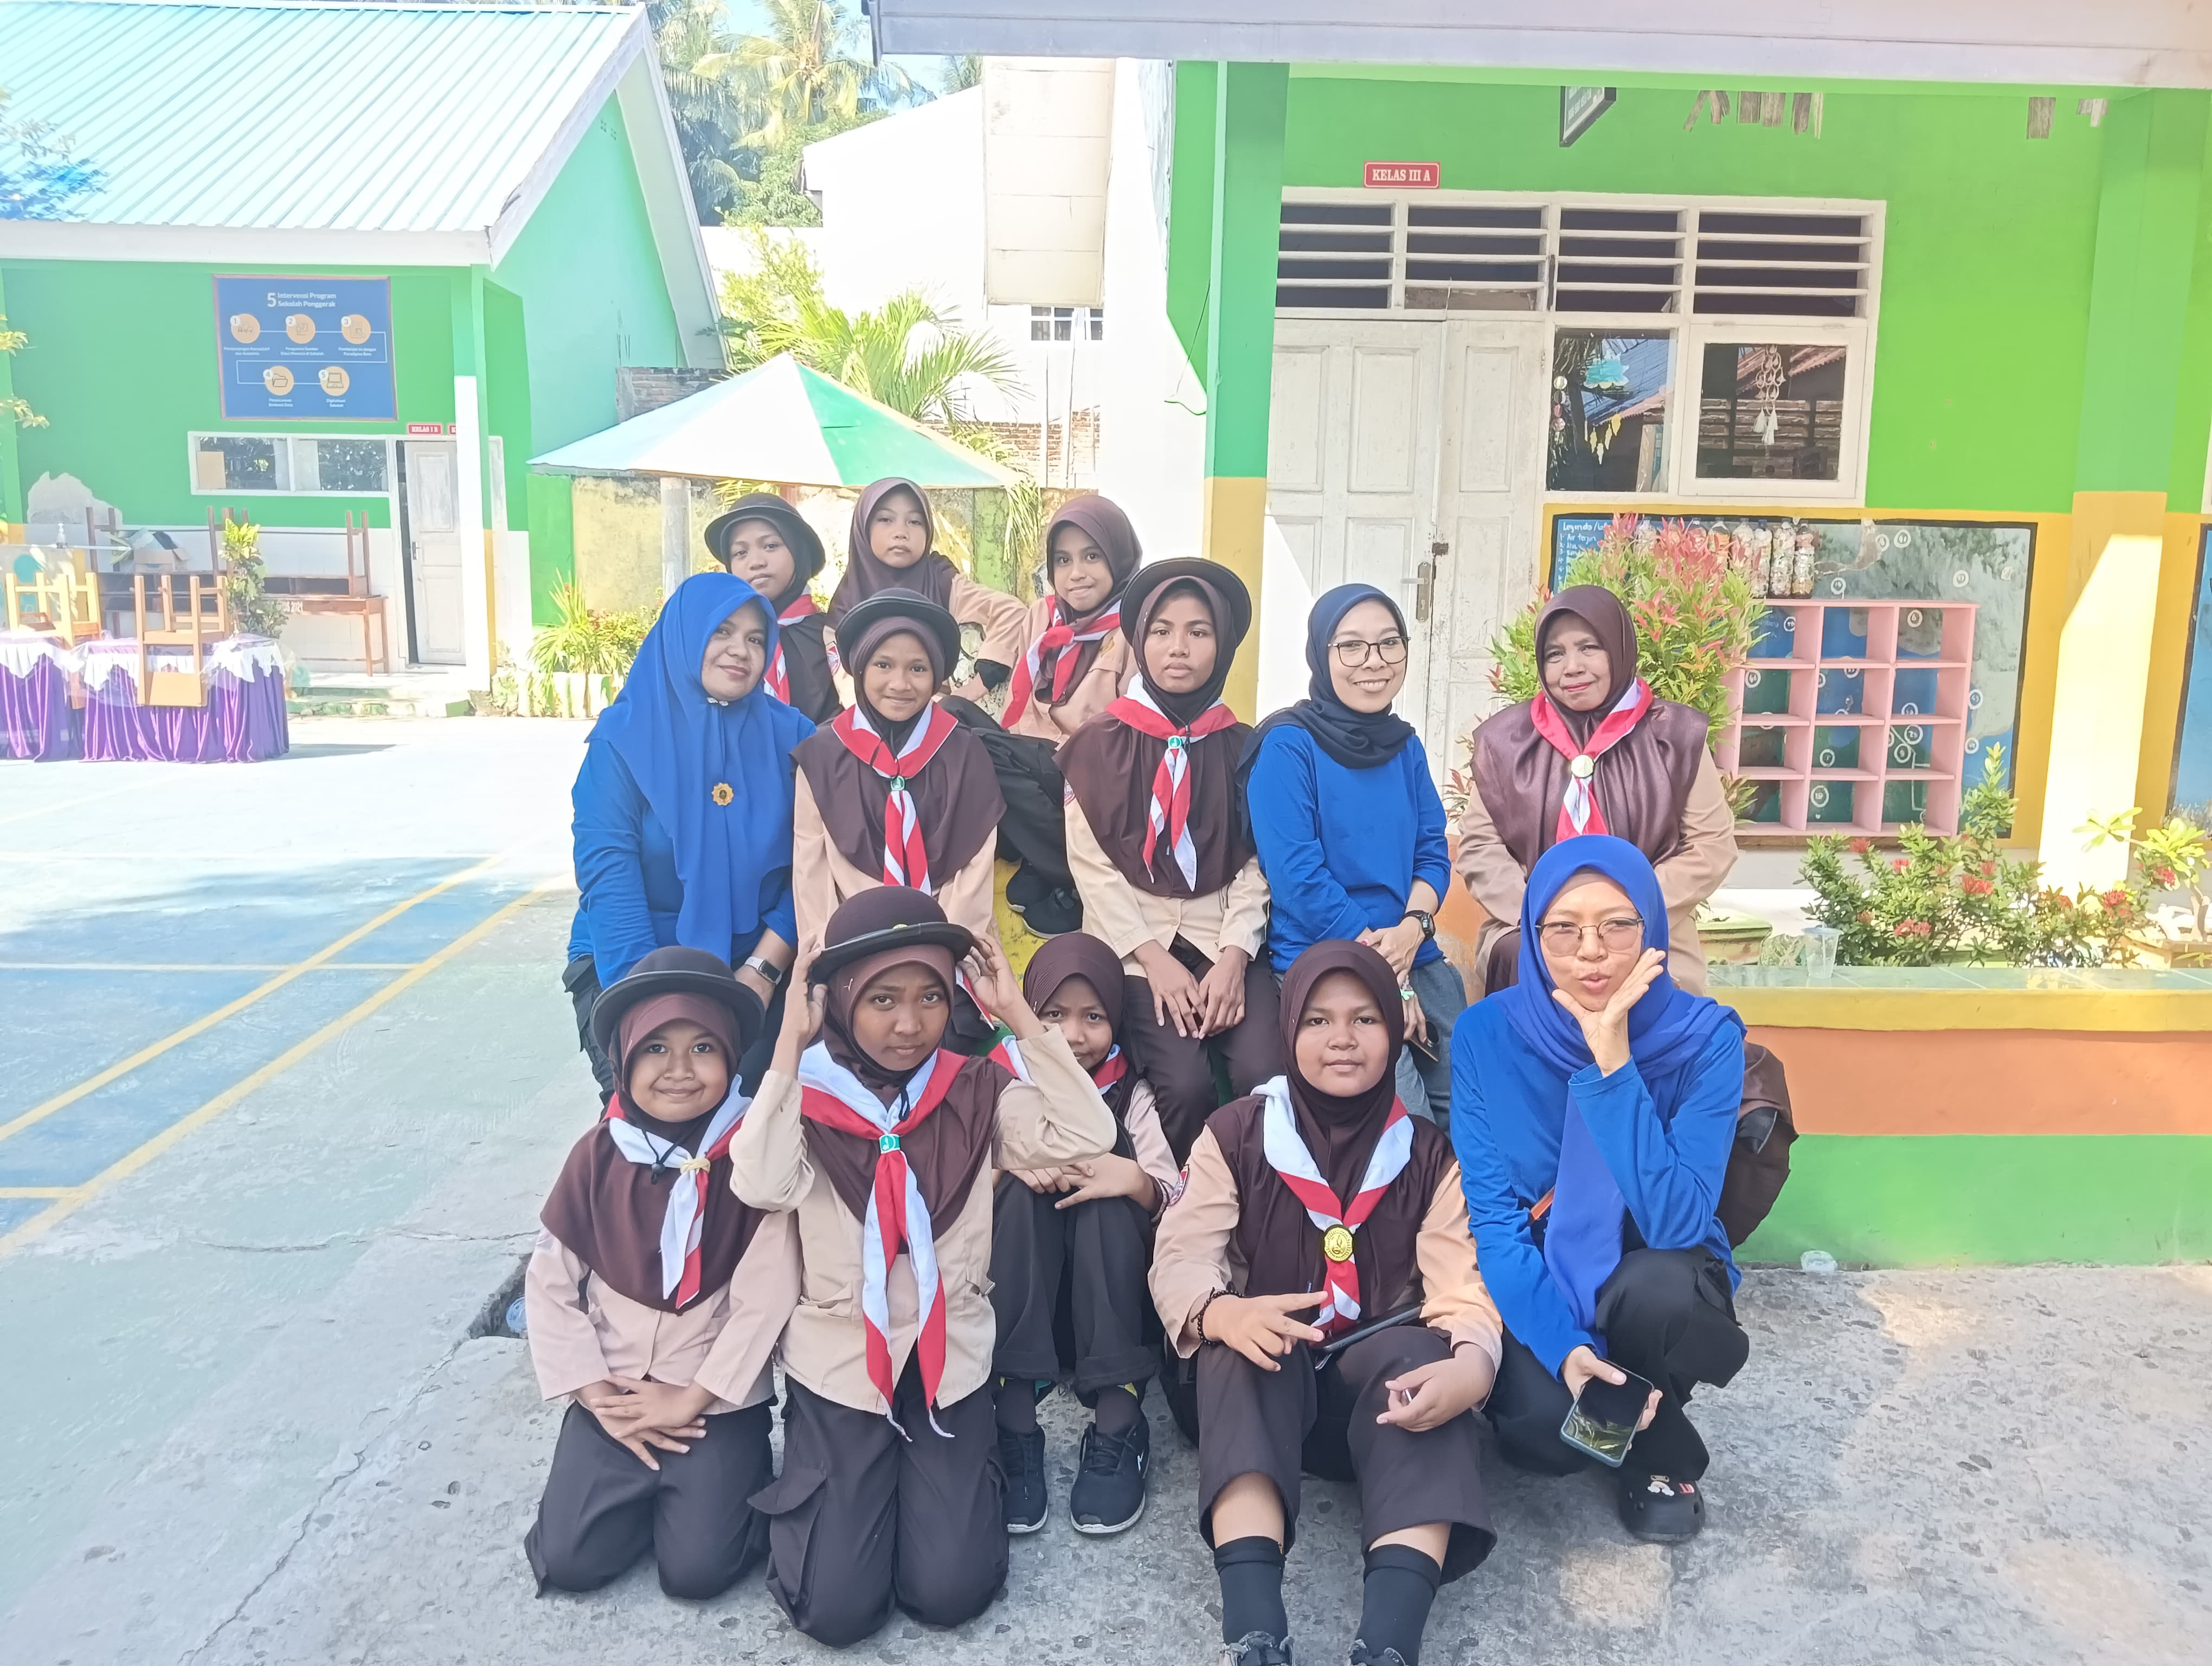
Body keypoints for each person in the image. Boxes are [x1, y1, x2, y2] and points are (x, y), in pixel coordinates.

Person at [728, 889, 1116, 1646]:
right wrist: (786, 1049)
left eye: (931, 997)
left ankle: (944, 1478)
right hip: (843, 1368)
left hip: (949, 1366)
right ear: (839, 1000)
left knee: (950, 1591)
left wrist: (1018, 1017)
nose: (909, 1024)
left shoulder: (973, 1089)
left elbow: (1084, 1133)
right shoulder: (805, 1095)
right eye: (882, 999)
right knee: (836, 1608)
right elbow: (761, 1184)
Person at [1150, 940, 1501, 1666]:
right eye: (1317, 1020)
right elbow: (1181, 1257)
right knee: (1244, 1343)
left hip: (1368, 1409)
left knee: (1422, 1359)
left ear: (1394, 1030)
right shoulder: (1236, 1133)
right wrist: (1222, 1313)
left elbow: (1460, 1288)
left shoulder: (1427, 1154)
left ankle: (1388, 1645)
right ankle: (1256, 1634)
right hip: (1249, 1399)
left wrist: (1473, 1365)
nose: (1342, 1039)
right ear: (1288, 1032)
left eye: (1365, 1019)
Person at [1449, 835, 1752, 1543]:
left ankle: (1656, 1456)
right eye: (1564, 928)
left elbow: (1678, 1221)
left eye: (1617, 925)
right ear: (1532, 936)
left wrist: (1613, 1062)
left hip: (1655, 1264)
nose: (1591, 951)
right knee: (1545, 1441)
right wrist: (1564, 1351)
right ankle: (1618, 1399)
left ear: (1652, 925)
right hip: (1544, 1271)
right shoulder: (1485, 1035)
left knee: (1658, 1290)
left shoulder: (1704, 1039)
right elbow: (1496, 1224)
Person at [523, 947, 800, 1600]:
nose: (679, 1070)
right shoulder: (598, 1154)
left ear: (732, 1054)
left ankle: (705, 1495)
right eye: (655, 1049)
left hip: (713, 1402)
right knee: (571, 1560)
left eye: (703, 1047)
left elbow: (765, 1299)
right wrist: (595, 1393)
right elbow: (551, 1283)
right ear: (623, 1058)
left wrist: (690, 1399)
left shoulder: (755, 1157)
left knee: (699, 1572)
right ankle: (647, 1493)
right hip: (614, 1391)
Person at [1058, 558, 1279, 1163]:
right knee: (1184, 1087)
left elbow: (1257, 865)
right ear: (1139, 640)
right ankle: (1180, 1204)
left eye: (1198, 632)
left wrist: (1234, 957)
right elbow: (1093, 869)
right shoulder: (1097, 744)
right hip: (1134, 948)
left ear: (1224, 644)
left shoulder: (1245, 747)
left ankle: (1256, 1202)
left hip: (1223, 939)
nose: (1178, 648)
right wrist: (1154, 961)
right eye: (1161, 631)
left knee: (1266, 1072)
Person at [566, 573, 814, 1095]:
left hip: (762, 959)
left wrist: (762, 971)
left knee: (762, 1115)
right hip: (630, 961)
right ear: (685, 633)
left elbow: (813, 867)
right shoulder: (621, 741)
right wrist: (651, 1007)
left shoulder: (794, 737)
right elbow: (609, 880)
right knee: (659, 1110)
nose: (740, 650)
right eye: (722, 631)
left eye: (755, 638)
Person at [1242, 583, 1461, 1122]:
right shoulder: (1289, 746)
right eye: (1352, 646)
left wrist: (1411, 931)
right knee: (1408, 1125)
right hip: (1329, 958)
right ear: (1321, 653)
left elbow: (1432, 852)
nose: (1374, 661)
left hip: (1411, 950)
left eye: (1389, 643)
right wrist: (1386, 969)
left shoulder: (1404, 746)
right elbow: (1297, 876)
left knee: (1472, 1108)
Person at [987, 931, 1181, 1537]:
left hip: (1112, 1318)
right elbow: (950, 1197)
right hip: (1028, 1317)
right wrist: (1008, 1168)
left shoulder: (1132, 1094)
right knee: (1020, 1192)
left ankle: (1121, 1418)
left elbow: (1175, 1197)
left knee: (1106, 1195)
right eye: (1053, 1016)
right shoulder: (1000, 1084)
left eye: (1093, 1017)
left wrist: (1135, 1180)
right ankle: (1013, 1418)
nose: (1073, 1035)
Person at [1456, 584, 1737, 995]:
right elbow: (1480, 845)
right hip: (1530, 927)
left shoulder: (1676, 738)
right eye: (1555, 654)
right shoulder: (1505, 743)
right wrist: (1544, 916)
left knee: (1651, 991)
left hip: (1649, 926)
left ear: (1618, 649)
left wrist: (1622, 913)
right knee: (1520, 964)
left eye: (1589, 648)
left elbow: (1712, 846)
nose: (1572, 667)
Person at [949, 494, 1144, 936]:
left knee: (980, 750)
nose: (1076, 573)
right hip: (1035, 752)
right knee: (950, 716)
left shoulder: (1136, 628)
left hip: (1092, 769)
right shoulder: (1043, 614)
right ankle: (1034, 847)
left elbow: (1127, 737)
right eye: (1063, 560)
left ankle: (1068, 869)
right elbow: (1021, 706)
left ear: (1118, 556)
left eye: (1092, 556)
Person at [791, 588, 1005, 955]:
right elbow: (811, 873)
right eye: (883, 665)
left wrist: (946, 954)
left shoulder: (963, 752)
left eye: (918, 668)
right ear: (860, 667)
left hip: (951, 943)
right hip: (853, 946)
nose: (900, 684)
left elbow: (974, 869)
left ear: (936, 675)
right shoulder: (822, 757)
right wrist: (830, 959)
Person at [828, 478, 1026, 708]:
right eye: (885, 520)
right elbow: (847, 688)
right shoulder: (846, 603)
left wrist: (972, 691)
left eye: (915, 522)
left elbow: (1012, 612)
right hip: (871, 717)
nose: (901, 532)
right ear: (864, 527)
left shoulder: (941, 582)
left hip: (937, 716)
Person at [707, 492, 839, 725]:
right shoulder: (714, 637)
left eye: (771, 546)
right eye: (740, 553)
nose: (756, 562)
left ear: (799, 552)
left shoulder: (833, 635)